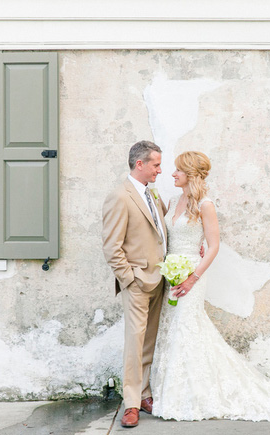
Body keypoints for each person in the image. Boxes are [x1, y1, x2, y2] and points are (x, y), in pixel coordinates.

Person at [150, 151, 270, 421]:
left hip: (192, 275)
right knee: (174, 328)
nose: (173, 174)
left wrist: (192, 277)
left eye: (178, 171)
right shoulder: (172, 201)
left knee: (187, 325)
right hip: (172, 275)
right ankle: (176, 392)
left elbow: (214, 246)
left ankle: (195, 395)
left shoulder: (205, 205)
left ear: (191, 175)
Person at [101, 141, 168, 428]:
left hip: (160, 280)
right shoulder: (120, 196)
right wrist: (130, 280)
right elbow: (111, 247)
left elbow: (163, 228)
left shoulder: (152, 193)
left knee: (148, 342)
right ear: (139, 164)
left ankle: (144, 394)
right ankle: (130, 404)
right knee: (134, 343)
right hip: (138, 282)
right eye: (155, 165)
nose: (160, 170)